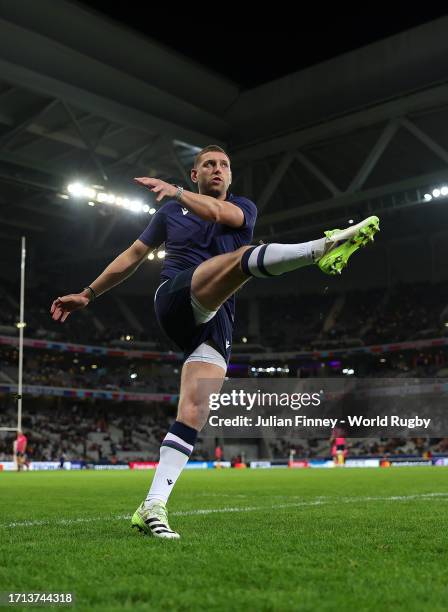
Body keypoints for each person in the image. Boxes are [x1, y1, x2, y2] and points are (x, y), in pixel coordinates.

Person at [50, 145, 379, 539]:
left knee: (194, 411)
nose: (218, 169)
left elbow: (219, 213)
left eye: (224, 164)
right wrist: (88, 293)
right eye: (209, 164)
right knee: (242, 258)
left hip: (215, 320)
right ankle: (321, 248)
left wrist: (175, 191)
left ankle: (152, 506)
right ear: (195, 174)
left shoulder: (243, 209)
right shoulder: (172, 211)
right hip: (174, 298)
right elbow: (133, 255)